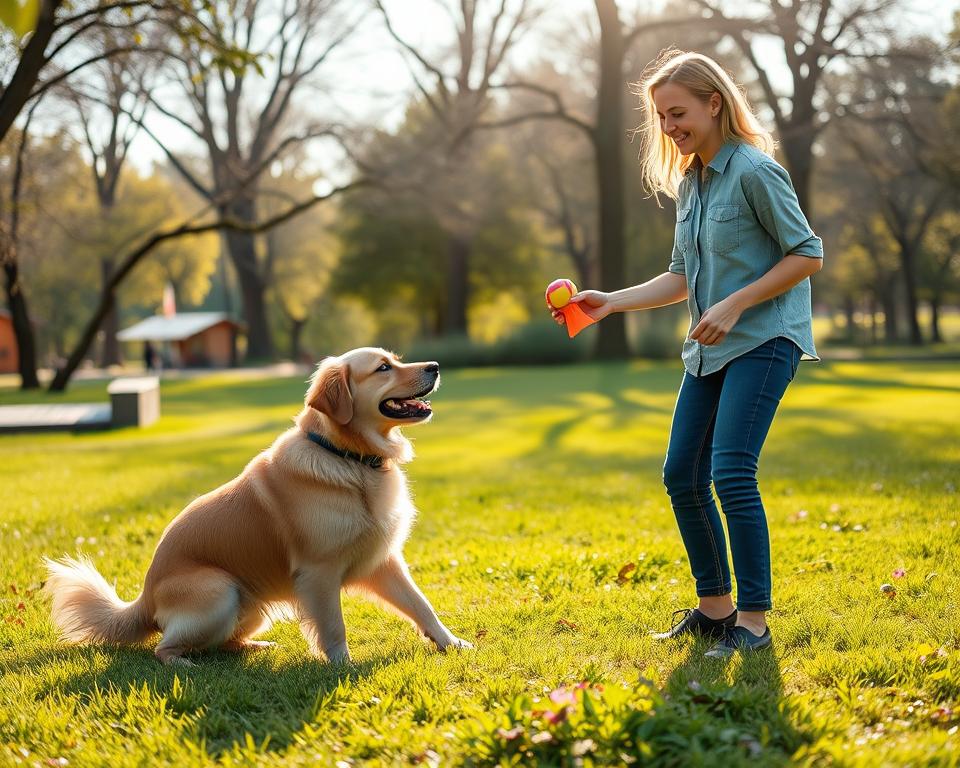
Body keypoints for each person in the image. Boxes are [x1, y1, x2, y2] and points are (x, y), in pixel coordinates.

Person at [550, 50, 823, 657]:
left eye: (679, 113)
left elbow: (806, 253)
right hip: (708, 349)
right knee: (680, 473)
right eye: (661, 117)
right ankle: (714, 610)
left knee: (730, 473)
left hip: (763, 340)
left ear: (714, 103)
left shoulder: (754, 170)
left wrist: (733, 305)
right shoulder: (692, 181)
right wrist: (608, 303)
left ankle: (752, 621)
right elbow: (680, 277)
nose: (669, 127)